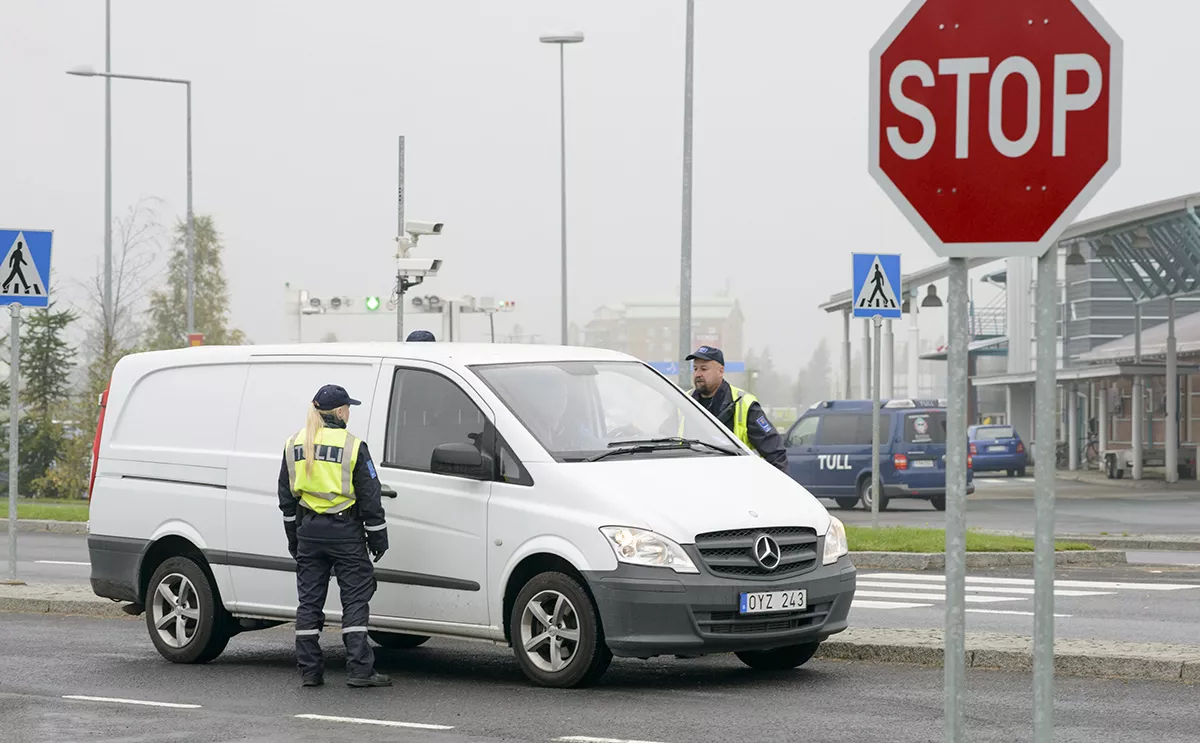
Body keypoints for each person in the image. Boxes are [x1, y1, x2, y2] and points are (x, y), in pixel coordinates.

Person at [277, 384, 392, 688]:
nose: (349, 412)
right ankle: (360, 671)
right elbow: (370, 497)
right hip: (345, 533)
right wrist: (378, 538)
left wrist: (294, 538)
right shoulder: (353, 446)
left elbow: (286, 499)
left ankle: (310, 672)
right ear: (340, 411)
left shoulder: (294, 444)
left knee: (309, 603)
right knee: (354, 599)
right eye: (348, 408)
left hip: (308, 533)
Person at [685, 346, 789, 472]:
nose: (698, 374)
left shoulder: (744, 403)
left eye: (704, 369)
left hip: (735, 482)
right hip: (694, 481)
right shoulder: (684, 401)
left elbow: (775, 453)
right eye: (695, 369)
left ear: (721, 371)